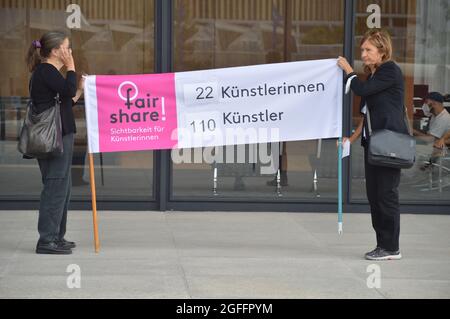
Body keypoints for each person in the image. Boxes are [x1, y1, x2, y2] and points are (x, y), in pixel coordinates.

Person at [337, 29, 408, 261]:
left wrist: (349, 71)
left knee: (386, 195)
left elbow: (362, 91)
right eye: (362, 51)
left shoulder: (390, 70)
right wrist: (352, 138)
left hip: (389, 144)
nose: (364, 55)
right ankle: (382, 245)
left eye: (368, 50)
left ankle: (391, 248)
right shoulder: (373, 76)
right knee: (375, 196)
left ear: (382, 50)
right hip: (374, 145)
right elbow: (366, 114)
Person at [26, 31, 84, 254]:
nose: (69, 52)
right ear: (56, 50)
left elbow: (66, 99)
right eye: (67, 48)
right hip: (53, 137)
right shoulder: (46, 71)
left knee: (63, 187)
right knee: (55, 185)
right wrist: (71, 67)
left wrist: (78, 89)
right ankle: (46, 239)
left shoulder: (49, 73)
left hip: (60, 135)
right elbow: (66, 90)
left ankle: (57, 236)